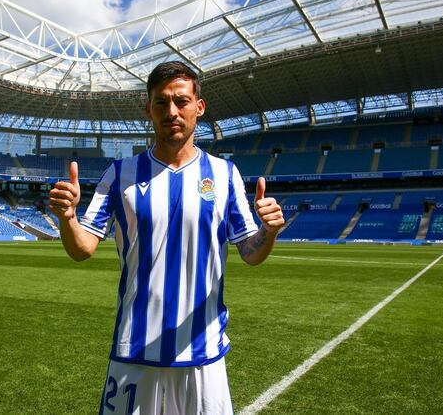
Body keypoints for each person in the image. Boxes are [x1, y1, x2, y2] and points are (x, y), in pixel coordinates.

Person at [49, 61, 284, 414]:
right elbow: (83, 248)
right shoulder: (120, 175)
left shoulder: (225, 175)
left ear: (198, 107)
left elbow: (251, 252)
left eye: (181, 101)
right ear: (149, 109)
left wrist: (269, 232)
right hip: (134, 350)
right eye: (161, 102)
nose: (171, 111)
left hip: (203, 354)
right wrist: (68, 219)